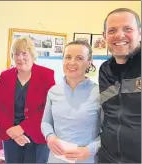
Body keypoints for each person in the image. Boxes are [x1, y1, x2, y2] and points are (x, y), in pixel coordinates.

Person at [0, 36, 55, 163]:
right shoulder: (5, 76)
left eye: (24, 53)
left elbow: (49, 108)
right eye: (16, 54)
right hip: (11, 136)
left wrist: (22, 128)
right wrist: (12, 130)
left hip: (37, 135)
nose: (20, 58)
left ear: (32, 54)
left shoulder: (46, 75)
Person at [41, 41, 101, 163]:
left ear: (89, 63)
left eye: (79, 58)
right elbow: (46, 122)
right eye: (68, 57)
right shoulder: (53, 91)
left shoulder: (99, 93)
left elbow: (108, 132)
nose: (72, 62)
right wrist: (50, 137)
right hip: (56, 159)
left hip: (87, 159)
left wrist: (89, 150)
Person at [98, 8, 141, 163]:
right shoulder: (104, 70)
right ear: (104, 36)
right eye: (112, 30)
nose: (119, 35)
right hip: (108, 158)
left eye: (127, 29)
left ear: (140, 33)